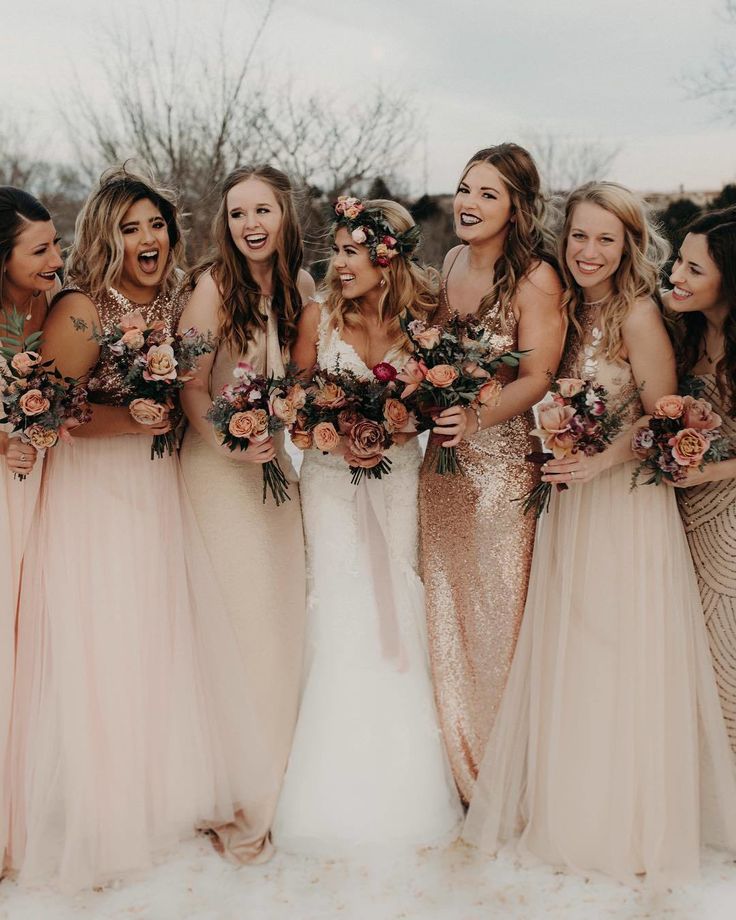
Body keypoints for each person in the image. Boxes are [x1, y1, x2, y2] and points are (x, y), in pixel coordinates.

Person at [464, 182, 736, 885]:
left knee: (621, 652)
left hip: (622, 507)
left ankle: (626, 818)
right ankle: (571, 806)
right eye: (580, 236)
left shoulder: (639, 315)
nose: (589, 252)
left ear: (628, 246)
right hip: (571, 506)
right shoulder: (564, 311)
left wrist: (601, 456)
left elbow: (662, 414)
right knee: (574, 648)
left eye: (605, 239)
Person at [7, 167, 256, 892]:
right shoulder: (83, 308)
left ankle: (154, 793)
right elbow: (44, 413)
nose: (147, 239)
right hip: (94, 491)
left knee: (152, 632)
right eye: (130, 227)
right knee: (99, 636)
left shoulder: (186, 296)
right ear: (106, 237)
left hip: (158, 485)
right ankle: (95, 809)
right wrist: (129, 418)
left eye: (156, 225)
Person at [272, 198, 462, 851]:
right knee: (338, 604)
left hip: (398, 479)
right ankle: (323, 786)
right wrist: (336, 437)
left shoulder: (423, 326)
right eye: (339, 249)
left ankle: (404, 784)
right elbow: (294, 412)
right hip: (328, 485)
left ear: (389, 258)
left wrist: (396, 427)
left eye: (355, 251)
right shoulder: (317, 318)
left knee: (397, 600)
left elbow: (440, 403)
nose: (340, 262)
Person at [418, 143, 565, 803]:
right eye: (465, 188)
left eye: (488, 194)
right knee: (442, 613)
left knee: (496, 618)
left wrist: (478, 419)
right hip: (442, 467)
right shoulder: (448, 261)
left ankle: (504, 780)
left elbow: (537, 375)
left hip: (502, 465)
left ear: (515, 207)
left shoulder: (535, 277)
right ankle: (455, 772)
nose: (469, 204)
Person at [178, 164, 312, 862]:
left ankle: (274, 778)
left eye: (262, 210)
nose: (250, 225)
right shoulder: (211, 287)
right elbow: (192, 389)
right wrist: (228, 442)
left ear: (286, 214)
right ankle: (234, 791)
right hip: (216, 468)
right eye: (237, 214)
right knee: (241, 624)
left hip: (275, 469)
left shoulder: (301, 288)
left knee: (284, 620)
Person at [0, 188, 62, 870]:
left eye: (55, 243)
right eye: (39, 249)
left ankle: (24, 807)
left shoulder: (56, 309)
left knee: (29, 641)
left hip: (42, 488)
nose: (55, 258)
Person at [666, 206, 736, 754]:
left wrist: (712, 470)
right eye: (678, 262)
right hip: (680, 514)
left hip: (729, 517)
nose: (676, 277)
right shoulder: (683, 333)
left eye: (694, 270)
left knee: (724, 651)